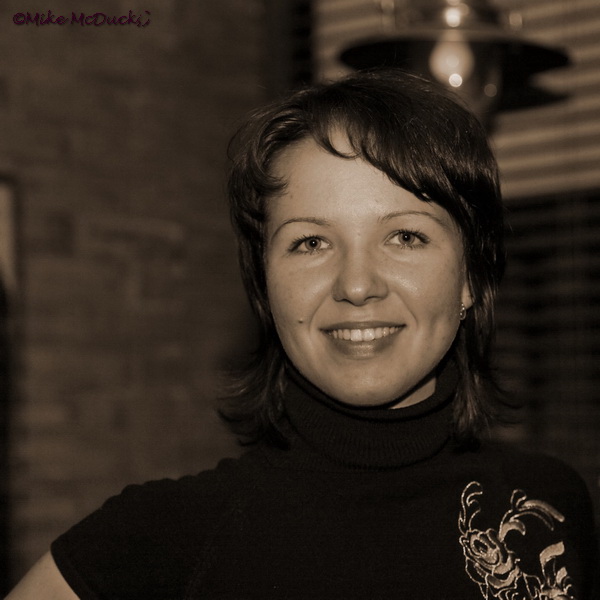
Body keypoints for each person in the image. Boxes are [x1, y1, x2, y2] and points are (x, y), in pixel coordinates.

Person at [7, 70, 598, 599]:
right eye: (310, 242)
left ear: (469, 277)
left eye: (405, 237)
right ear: (266, 285)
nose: (357, 285)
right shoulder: (163, 537)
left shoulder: (548, 506)